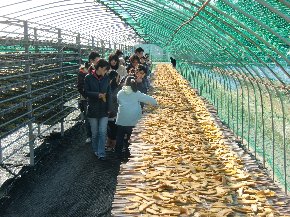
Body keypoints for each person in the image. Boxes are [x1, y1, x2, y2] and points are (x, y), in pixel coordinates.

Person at [115, 76, 157, 159]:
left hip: (121, 120)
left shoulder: (120, 93)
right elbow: (151, 101)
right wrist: (155, 103)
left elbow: (118, 102)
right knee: (131, 138)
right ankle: (128, 154)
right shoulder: (136, 93)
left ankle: (118, 154)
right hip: (133, 121)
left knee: (119, 138)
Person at [84, 59, 111, 160]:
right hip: (93, 109)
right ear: (99, 68)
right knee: (94, 133)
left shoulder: (106, 78)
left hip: (104, 110)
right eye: (105, 69)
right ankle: (95, 149)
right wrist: (97, 95)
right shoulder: (88, 78)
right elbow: (86, 92)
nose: (106, 72)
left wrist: (109, 108)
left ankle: (101, 153)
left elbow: (109, 93)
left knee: (103, 132)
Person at [77, 51, 100, 144]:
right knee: (88, 116)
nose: (98, 62)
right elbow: (80, 86)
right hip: (86, 98)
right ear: (91, 61)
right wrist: (87, 96)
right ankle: (89, 135)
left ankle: (96, 135)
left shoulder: (98, 69)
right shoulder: (83, 71)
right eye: (97, 60)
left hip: (97, 97)